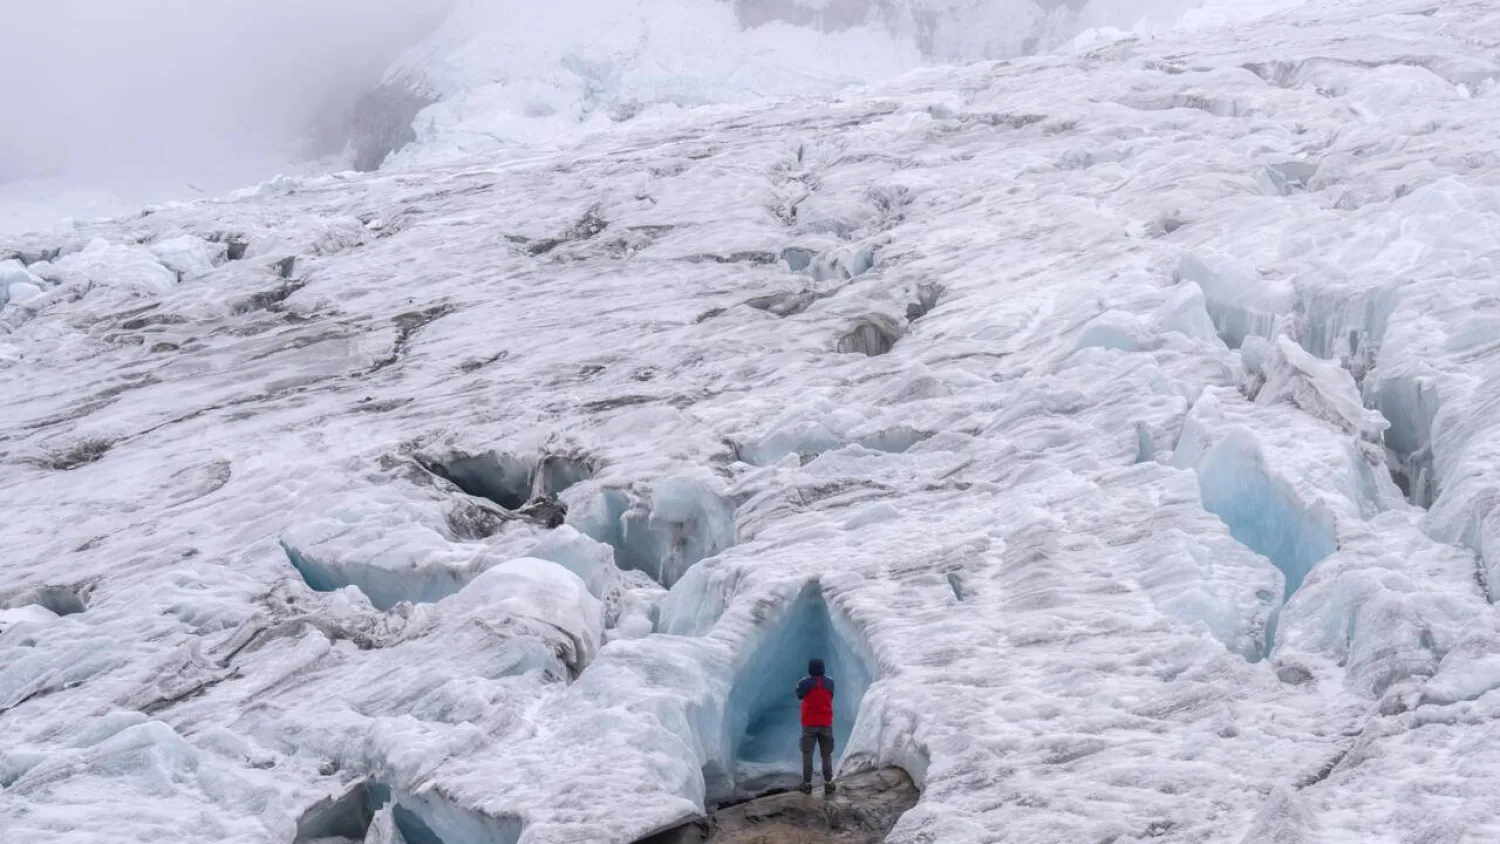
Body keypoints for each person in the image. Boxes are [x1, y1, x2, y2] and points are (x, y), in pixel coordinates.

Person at [794, 658, 836, 794]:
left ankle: (806, 784)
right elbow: (831, 696)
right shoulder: (830, 682)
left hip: (809, 723)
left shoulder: (805, 683)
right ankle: (828, 783)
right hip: (826, 722)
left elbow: (799, 694)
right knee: (826, 754)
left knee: (807, 753)